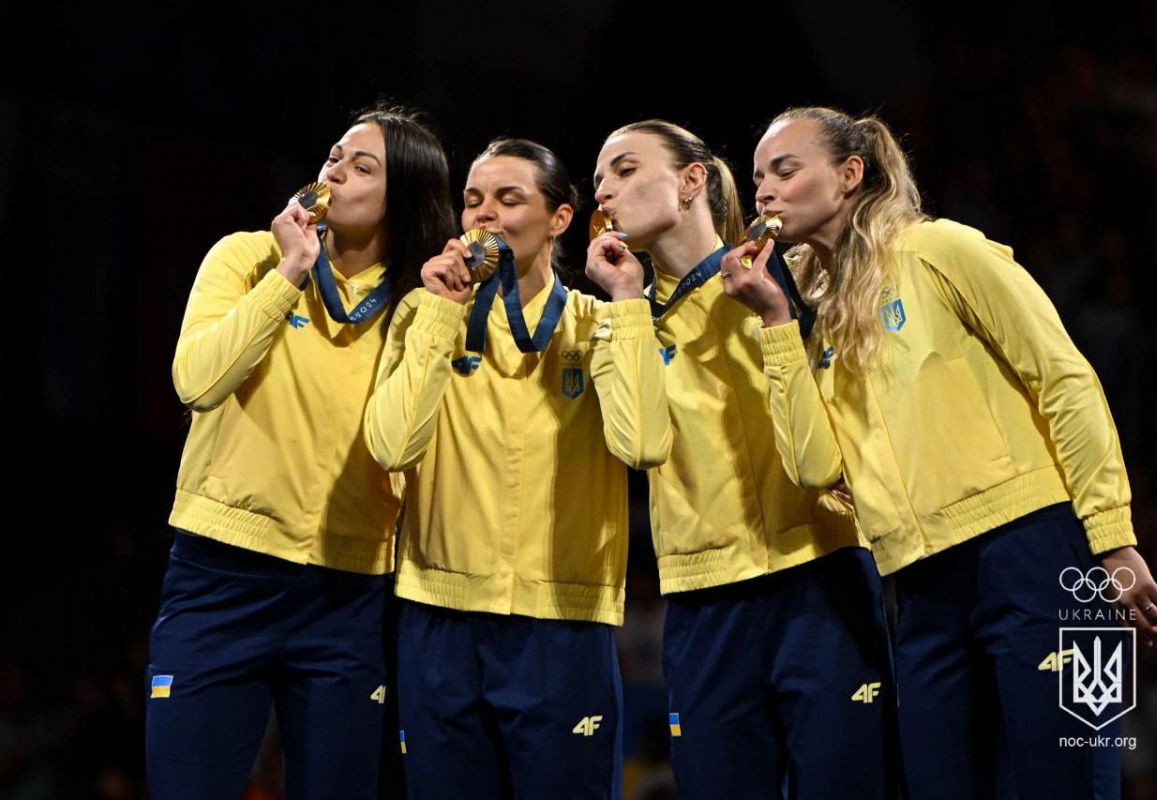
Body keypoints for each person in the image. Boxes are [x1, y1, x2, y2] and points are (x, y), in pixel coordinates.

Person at [723, 105, 1157, 800]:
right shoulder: (818, 317)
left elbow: (1064, 379)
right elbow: (814, 470)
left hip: (1042, 556)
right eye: (757, 180)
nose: (765, 194)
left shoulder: (943, 250)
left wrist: (1112, 539)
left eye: (785, 169)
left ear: (848, 175)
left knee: (1075, 786)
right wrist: (778, 323)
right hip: (919, 587)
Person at [146, 103, 455, 799]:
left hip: (346, 596)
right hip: (221, 575)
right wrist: (288, 270)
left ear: (401, 197)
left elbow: (402, 445)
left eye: (362, 165)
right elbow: (197, 382)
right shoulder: (246, 256)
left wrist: (437, 316)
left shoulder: (418, 309)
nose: (335, 170)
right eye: (335, 155)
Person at [592, 120, 893, 799]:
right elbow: (639, 445)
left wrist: (775, 314)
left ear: (691, 179)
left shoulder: (793, 274)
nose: (605, 192)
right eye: (598, 181)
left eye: (626, 170)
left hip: (824, 576)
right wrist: (626, 302)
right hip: (705, 604)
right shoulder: (623, 321)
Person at [364, 137, 670, 799]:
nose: (485, 216)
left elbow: (643, 442)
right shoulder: (427, 313)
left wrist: (626, 303)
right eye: (473, 200)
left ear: (560, 219)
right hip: (440, 621)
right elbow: (391, 447)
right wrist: (442, 315)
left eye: (509, 199)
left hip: (564, 620)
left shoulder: (599, 322)